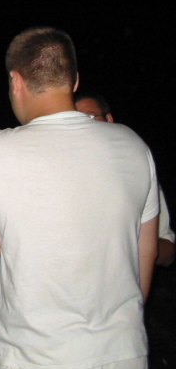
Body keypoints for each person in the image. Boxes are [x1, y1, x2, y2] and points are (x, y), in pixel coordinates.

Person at [0, 27, 159, 369]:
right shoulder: (132, 144)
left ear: (16, 82)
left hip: (38, 355)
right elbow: (146, 249)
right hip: (122, 350)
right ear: (74, 80)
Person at [74, 90, 175, 267]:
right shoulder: (61, 174)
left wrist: (130, 245)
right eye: (75, 120)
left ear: (109, 119)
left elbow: (168, 252)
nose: (85, 126)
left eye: (90, 117)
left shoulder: (137, 171)